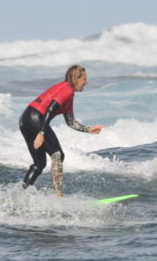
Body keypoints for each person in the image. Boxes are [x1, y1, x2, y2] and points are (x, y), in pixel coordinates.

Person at [19, 65, 104, 196]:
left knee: (39, 163)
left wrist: (89, 130)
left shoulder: (68, 94)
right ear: (76, 79)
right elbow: (50, 109)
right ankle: (59, 195)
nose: (86, 82)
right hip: (36, 118)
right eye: (84, 79)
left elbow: (70, 122)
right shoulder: (66, 89)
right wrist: (41, 132)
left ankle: (22, 194)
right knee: (57, 154)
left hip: (26, 119)